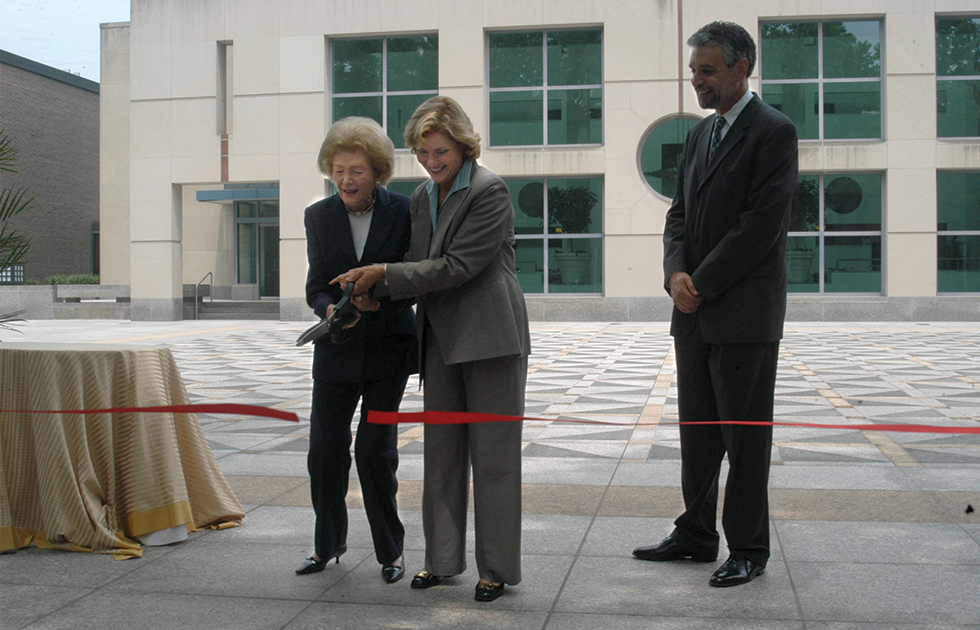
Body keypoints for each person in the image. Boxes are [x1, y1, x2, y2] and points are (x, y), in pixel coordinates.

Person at [335, 96, 530, 602]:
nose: (431, 161)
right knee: (442, 457)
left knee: (495, 460)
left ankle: (496, 569)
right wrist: (370, 290)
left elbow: (456, 266)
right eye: (422, 152)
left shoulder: (490, 191)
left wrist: (383, 277)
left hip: (490, 339)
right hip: (440, 340)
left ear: (463, 145)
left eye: (440, 150)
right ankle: (442, 562)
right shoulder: (423, 195)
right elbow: (416, 263)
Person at [632, 21, 799, 587]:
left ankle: (748, 548)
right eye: (694, 70)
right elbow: (677, 214)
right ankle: (697, 534)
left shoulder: (774, 132)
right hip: (693, 314)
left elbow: (760, 226)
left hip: (744, 318)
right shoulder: (701, 136)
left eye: (706, 70)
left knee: (744, 438)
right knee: (698, 433)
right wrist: (676, 273)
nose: (696, 81)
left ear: (740, 67)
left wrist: (700, 280)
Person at [296, 116, 417, 585]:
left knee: (374, 451)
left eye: (357, 171)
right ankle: (327, 546)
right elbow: (314, 287)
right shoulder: (318, 216)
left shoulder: (405, 211)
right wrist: (331, 309)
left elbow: (413, 279)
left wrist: (378, 296)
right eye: (338, 170)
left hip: (389, 351)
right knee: (325, 451)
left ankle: (391, 551)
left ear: (378, 172)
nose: (346, 180)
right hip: (337, 350)